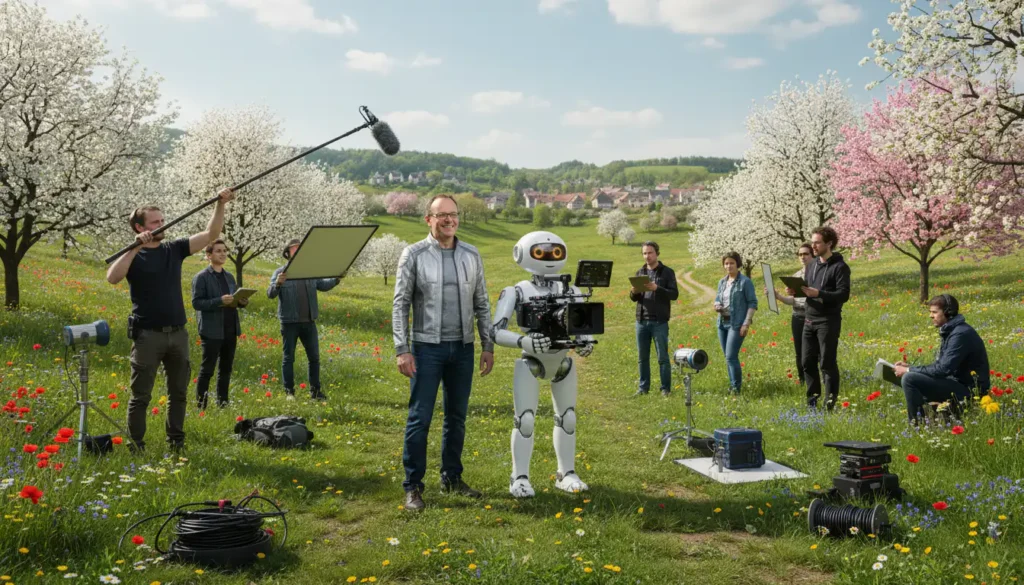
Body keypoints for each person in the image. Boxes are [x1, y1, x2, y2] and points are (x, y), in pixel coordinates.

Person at [105, 188, 235, 451]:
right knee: (140, 396)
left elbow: (211, 235)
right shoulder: (134, 255)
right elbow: (113, 277)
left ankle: (176, 443)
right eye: (155, 222)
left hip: (178, 334)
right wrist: (135, 246)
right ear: (140, 227)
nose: (162, 225)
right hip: (147, 336)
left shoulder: (173, 249)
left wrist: (220, 205)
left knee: (178, 393)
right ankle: (136, 445)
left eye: (162, 221)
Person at [393, 194, 494, 511]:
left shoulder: (471, 254)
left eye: (453, 214)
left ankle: (452, 477)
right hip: (426, 350)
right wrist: (402, 349)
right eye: (442, 215)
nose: (449, 220)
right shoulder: (414, 254)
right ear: (429, 219)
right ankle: (413, 487)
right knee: (419, 419)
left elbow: (482, 302)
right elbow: (400, 305)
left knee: (457, 418)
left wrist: (487, 344)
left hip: (462, 348)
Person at [491, 231, 596, 498]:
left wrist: (585, 341)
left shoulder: (571, 290)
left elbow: (583, 322)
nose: (549, 257)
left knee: (568, 417)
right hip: (531, 360)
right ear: (524, 253)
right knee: (525, 420)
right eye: (541, 252)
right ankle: (520, 477)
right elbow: (495, 331)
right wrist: (523, 342)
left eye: (555, 252)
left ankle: (567, 472)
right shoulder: (517, 291)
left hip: (562, 359)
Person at [893, 294, 990, 422]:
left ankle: (916, 425)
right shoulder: (952, 330)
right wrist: (910, 367)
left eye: (934, 312)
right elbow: (941, 367)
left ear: (948, 313)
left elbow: (943, 369)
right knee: (912, 377)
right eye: (930, 312)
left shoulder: (960, 334)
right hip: (957, 383)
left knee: (910, 378)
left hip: (971, 391)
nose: (930, 316)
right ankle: (929, 421)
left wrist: (908, 371)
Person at [267, 238, 340, 401]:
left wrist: (336, 279)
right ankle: (289, 392)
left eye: (301, 248)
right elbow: (270, 294)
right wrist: (278, 283)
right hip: (289, 323)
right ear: (288, 253)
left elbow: (323, 285)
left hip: (309, 322)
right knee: (288, 358)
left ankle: (315, 392)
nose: (299, 251)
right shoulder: (280, 272)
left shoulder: (309, 271)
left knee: (314, 358)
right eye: (295, 249)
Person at [795, 226, 851, 411]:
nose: (814, 246)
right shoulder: (811, 266)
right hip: (809, 319)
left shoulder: (840, 267)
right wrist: (796, 290)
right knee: (807, 362)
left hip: (828, 320)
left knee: (827, 363)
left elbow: (843, 294)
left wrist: (819, 293)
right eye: (812, 242)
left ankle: (829, 403)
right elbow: (808, 290)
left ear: (829, 243)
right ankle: (812, 401)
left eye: (817, 242)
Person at [191, 239, 247, 409]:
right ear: (209, 255)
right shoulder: (201, 277)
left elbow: (234, 299)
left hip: (230, 328)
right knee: (207, 370)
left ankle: (223, 403)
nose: (223, 254)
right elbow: (197, 303)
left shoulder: (229, 277)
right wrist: (218, 301)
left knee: (226, 369)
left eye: (224, 251)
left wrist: (242, 301)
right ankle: (201, 405)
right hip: (212, 329)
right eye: (218, 251)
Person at [628, 241, 679, 396]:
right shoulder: (640, 272)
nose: (647, 256)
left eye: (650, 253)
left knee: (662, 357)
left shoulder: (667, 272)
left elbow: (674, 295)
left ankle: (665, 389)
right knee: (642, 358)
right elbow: (633, 298)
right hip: (641, 320)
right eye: (644, 253)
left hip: (659, 321)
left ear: (657, 253)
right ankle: (643, 388)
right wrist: (634, 292)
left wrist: (658, 288)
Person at [713, 252, 758, 394]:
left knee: (731, 356)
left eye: (732, 263)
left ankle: (736, 388)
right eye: (726, 263)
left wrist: (746, 323)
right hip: (722, 322)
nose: (729, 266)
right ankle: (732, 386)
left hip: (737, 323)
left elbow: (752, 303)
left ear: (737, 264)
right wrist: (716, 304)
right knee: (727, 357)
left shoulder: (745, 282)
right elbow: (718, 298)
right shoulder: (722, 282)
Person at [770, 243, 814, 385]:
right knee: (799, 351)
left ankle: (816, 379)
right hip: (797, 317)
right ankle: (802, 380)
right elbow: (793, 301)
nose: (803, 257)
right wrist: (778, 296)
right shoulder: (796, 276)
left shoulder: (818, 274)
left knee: (814, 352)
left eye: (806, 254)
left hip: (813, 316)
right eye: (800, 254)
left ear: (812, 255)